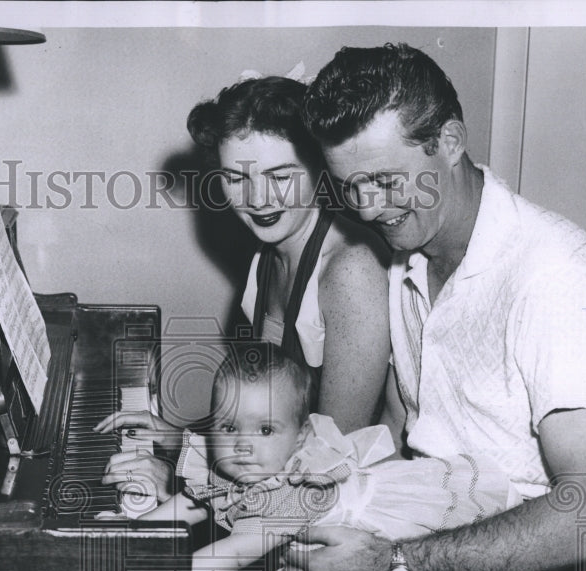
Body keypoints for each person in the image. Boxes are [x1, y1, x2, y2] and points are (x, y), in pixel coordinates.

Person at [190, 44, 586, 571]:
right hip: (433, 534)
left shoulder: (555, 281)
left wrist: (394, 569)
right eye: (352, 187)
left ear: (450, 141)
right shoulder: (412, 258)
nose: (370, 207)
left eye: (386, 180)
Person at [126, 343, 586, 571]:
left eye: (264, 430)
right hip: (336, 561)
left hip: (402, 540)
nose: (242, 447)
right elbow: (190, 506)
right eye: (228, 429)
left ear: (301, 438)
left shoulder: (292, 492)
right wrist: (122, 533)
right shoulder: (238, 469)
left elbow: (231, 552)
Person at [95, 76, 391, 501]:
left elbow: (330, 467)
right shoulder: (266, 253)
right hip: (282, 488)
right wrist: (181, 439)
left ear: (319, 170)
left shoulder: (350, 272)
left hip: (341, 504)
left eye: (281, 176)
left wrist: (182, 482)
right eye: (236, 178)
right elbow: (271, 429)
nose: (258, 199)